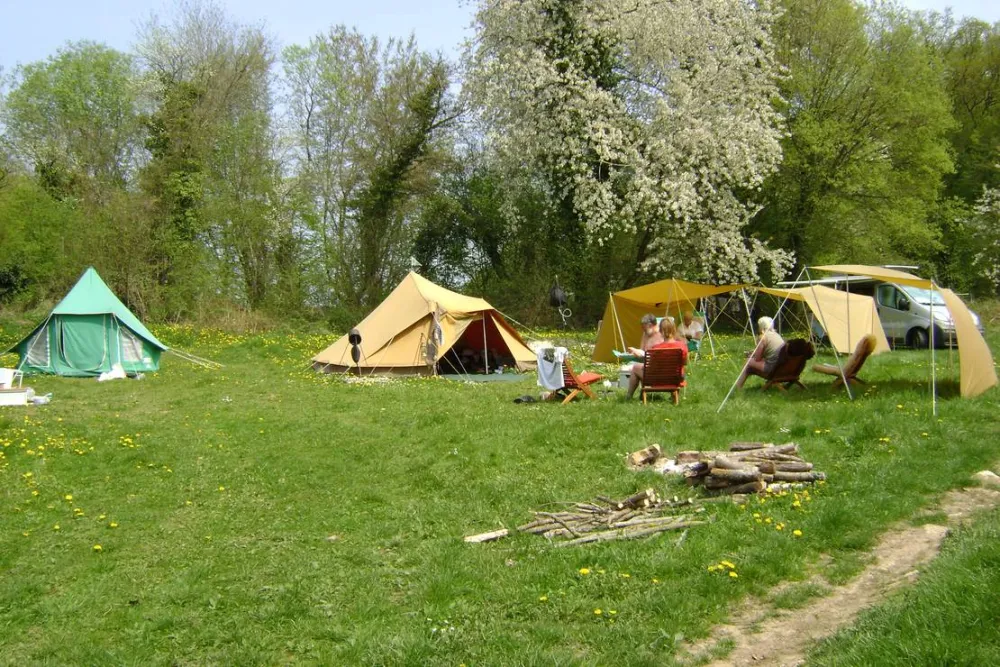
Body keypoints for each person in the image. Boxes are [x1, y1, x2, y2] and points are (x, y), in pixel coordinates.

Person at [626, 318, 688, 399]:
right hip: (675, 379)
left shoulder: (655, 349)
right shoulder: (682, 346)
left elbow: (651, 368)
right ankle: (674, 397)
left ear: (661, 331)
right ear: (674, 330)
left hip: (656, 381)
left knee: (635, 368)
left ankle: (628, 397)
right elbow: (684, 363)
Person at [736, 316, 785, 388]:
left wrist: (751, 355)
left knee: (748, 361)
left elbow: (757, 359)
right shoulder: (777, 335)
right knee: (750, 365)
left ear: (761, 326)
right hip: (782, 367)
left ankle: (738, 387)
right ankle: (738, 386)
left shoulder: (763, 337)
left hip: (772, 368)